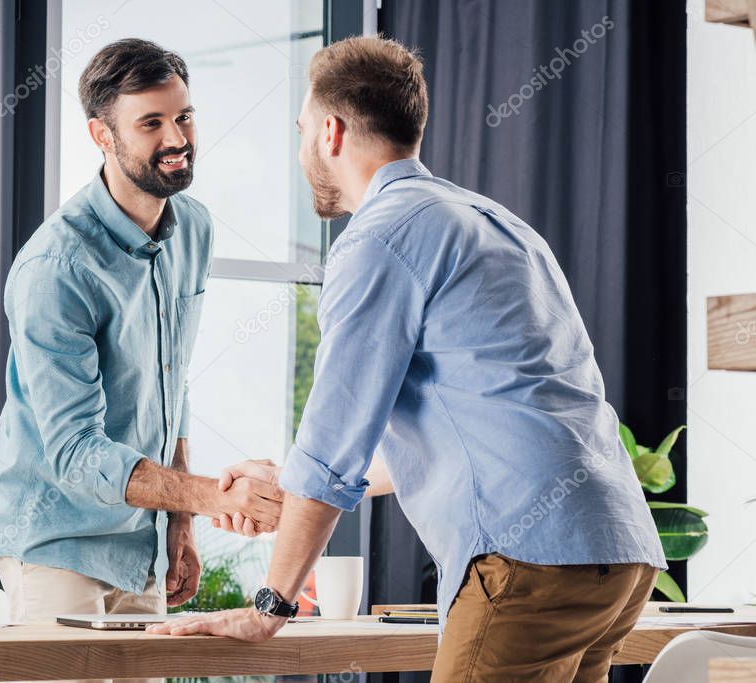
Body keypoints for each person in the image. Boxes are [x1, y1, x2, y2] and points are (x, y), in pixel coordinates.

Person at [150, 36, 666, 683]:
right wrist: (287, 490)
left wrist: (268, 605)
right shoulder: (497, 225)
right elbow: (473, 431)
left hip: (526, 560)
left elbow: (333, 444)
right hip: (614, 557)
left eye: (302, 127)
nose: (301, 144)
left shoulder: (380, 238)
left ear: (331, 131)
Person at [0, 39, 283, 654]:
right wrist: (209, 495)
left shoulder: (191, 228)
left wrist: (180, 523)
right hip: (55, 540)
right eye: (151, 123)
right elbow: (72, 452)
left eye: (184, 116)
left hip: (137, 542)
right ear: (102, 134)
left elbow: (171, 384)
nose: (177, 138)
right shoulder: (55, 267)